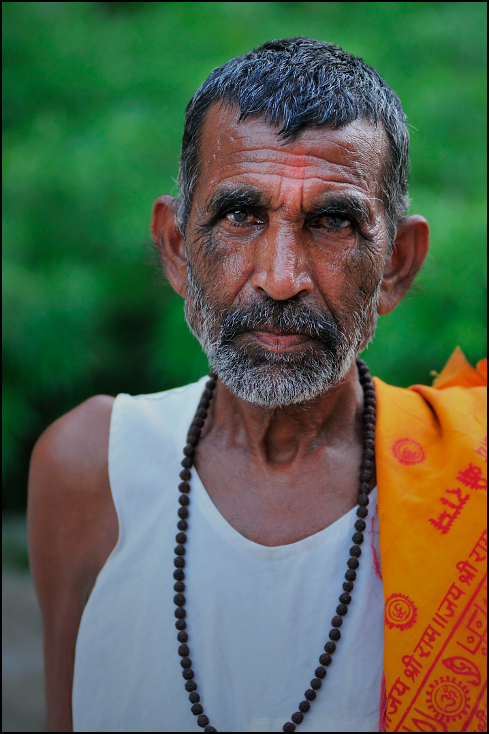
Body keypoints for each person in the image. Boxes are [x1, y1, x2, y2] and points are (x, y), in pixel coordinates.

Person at [27, 38, 486, 733]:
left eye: (332, 222)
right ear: (178, 248)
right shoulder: (90, 465)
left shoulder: (470, 485)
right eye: (241, 215)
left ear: (395, 264)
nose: (279, 277)